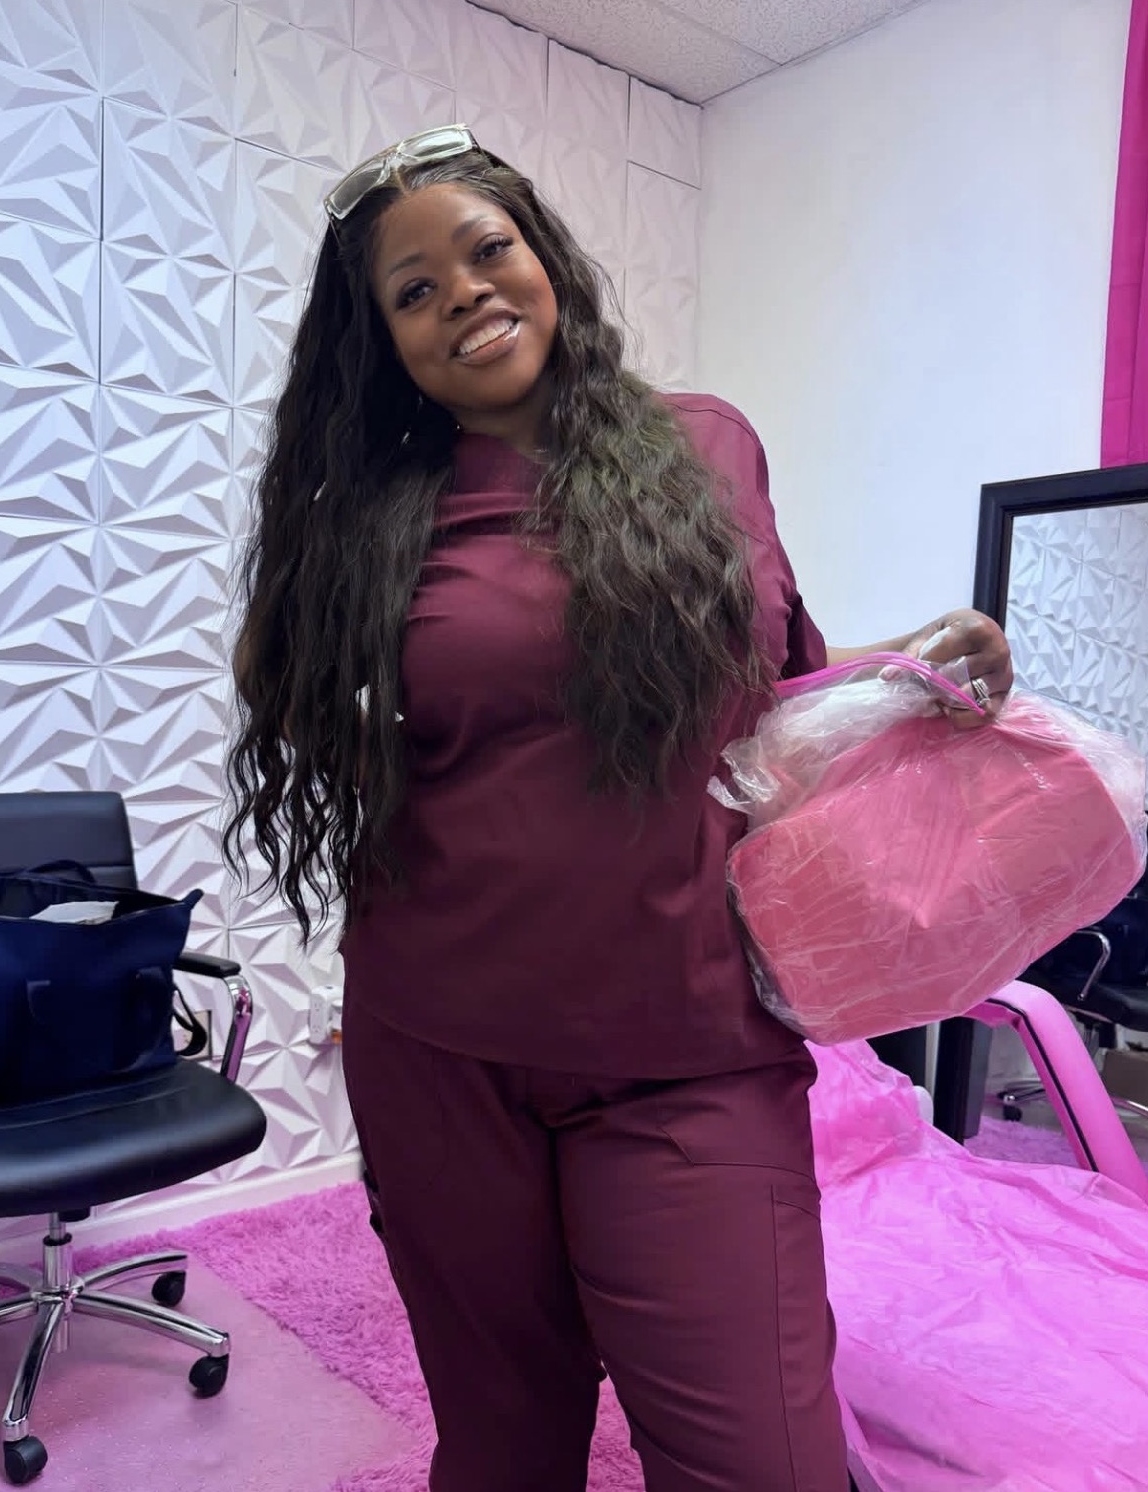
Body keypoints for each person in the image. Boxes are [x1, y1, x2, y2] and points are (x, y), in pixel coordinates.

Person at [224, 125, 1014, 1492]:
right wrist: (370, 731)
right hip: (441, 1050)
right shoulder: (371, 518)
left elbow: (768, 688)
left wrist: (914, 665)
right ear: (383, 342)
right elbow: (288, 689)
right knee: (504, 1448)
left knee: (761, 1464)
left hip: (689, 1044)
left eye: (486, 250)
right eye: (413, 291)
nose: (464, 295)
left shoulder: (707, 448)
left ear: (541, 256)